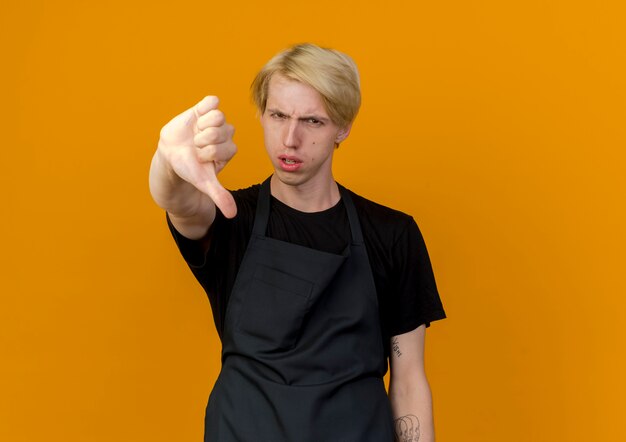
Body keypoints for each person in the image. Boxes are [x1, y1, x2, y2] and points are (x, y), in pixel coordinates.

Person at [149, 43, 446, 442]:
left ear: (343, 127)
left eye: (312, 121)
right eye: (278, 115)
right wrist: (168, 162)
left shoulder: (392, 234)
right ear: (262, 114)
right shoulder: (231, 218)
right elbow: (180, 203)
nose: (290, 138)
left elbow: (409, 383)